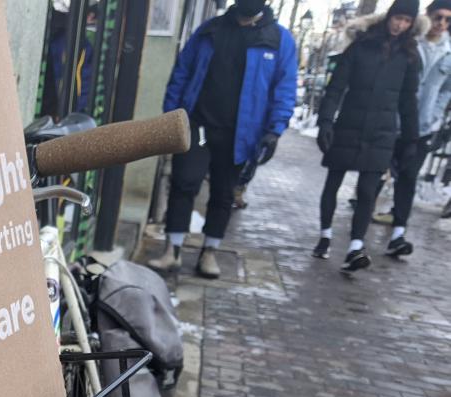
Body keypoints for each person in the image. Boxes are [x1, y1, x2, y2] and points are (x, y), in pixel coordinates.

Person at [149, 0, 297, 279]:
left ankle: (209, 252)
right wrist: (171, 116)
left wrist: (274, 130)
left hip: (241, 134)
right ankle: (173, 250)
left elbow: (285, 88)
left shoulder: (278, 40)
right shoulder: (210, 30)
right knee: (183, 183)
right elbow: (181, 72)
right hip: (199, 127)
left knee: (223, 193)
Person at [313, 3, 422, 273]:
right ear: (389, 17)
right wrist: (326, 121)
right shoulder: (361, 46)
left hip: (381, 133)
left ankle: (355, 247)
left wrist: (411, 139)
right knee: (333, 182)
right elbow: (336, 87)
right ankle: (325, 235)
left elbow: (408, 102)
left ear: (412, 24)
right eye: (397, 18)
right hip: (348, 125)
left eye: (406, 21)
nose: (400, 25)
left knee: (366, 191)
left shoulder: (410, 55)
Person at [372, 0, 451, 256]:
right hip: (391, 120)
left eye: (448, 20)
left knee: (408, 178)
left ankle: (398, 234)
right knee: (374, 172)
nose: (442, 24)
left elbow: (446, 90)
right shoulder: (409, 43)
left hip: (422, 127)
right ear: (427, 16)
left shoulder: (449, 52)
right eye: (438, 17)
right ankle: (359, 225)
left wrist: (435, 115)